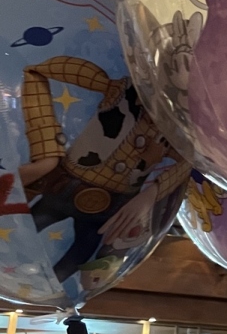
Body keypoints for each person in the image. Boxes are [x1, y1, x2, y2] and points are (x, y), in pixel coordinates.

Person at [17, 56, 190, 283]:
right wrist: (47, 153)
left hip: (112, 205)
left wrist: (151, 194)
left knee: (79, 254)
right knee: (22, 233)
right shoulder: (119, 93)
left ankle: (48, 288)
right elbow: (36, 71)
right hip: (65, 186)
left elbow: (190, 161)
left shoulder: (174, 132)